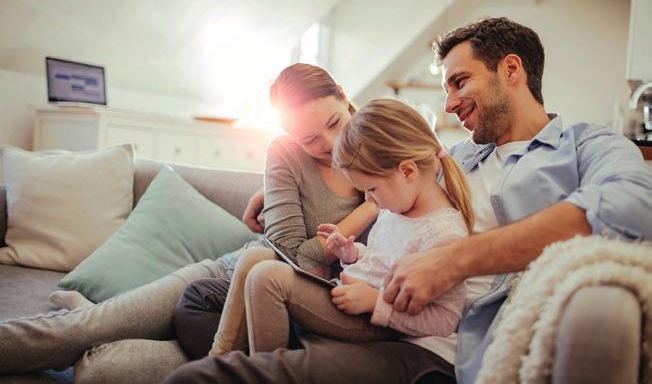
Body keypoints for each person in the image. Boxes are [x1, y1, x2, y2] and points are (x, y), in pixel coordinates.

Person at [164, 17, 652, 384]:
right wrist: (272, 192)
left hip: (433, 338)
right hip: (367, 288)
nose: (449, 103)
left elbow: (632, 206)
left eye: (460, 83)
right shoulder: (449, 157)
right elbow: (377, 187)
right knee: (200, 299)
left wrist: (456, 260)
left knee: (200, 375)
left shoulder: (587, 144)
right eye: (446, 89)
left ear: (511, 70)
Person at [0, 63, 378, 379]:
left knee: (104, 372)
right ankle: (90, 315)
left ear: (345, 98)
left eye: (334, 122)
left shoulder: (385, 151)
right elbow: (294, 255)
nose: (330, 143)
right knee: (86, 331)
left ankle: (88, 309)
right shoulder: (286, 153)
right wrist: (371, 207)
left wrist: (374, 199)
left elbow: (431, 167)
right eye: (310, 139)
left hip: (282, 321)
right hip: (224, 280)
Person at [215, 99, 472, 356]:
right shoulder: (396, 209)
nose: (370, 200)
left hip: (377, 322)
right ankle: (232, 363)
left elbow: (446, 318)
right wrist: (352, 254)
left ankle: (256, 372)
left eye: (372, 188)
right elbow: (383, 262)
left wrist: (376, 303)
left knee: (267, 278)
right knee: (258, 263)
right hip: (348, 294)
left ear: (407, 171)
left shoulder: (444, 235)